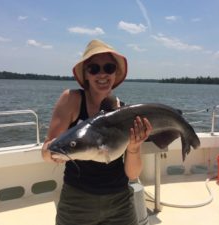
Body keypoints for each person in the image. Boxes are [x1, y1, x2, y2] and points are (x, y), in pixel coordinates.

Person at [41, 39, 152, 225]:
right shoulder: (72, 100)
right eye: (94, 69)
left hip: (120, 201)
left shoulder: (123, 112)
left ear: (115, 73)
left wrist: (134, 148)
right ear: (86, 74)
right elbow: (45, 153)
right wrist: (52, 153)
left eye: (108, 68)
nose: (102, 74)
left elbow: (133, 175)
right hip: (77, 201)